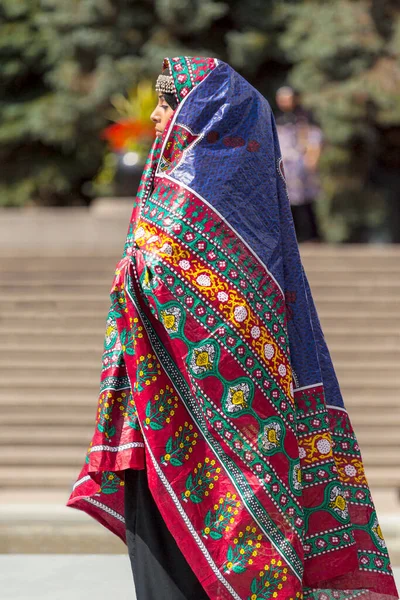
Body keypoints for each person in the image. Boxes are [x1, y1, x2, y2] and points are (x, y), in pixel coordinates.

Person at [68, 57, 398, 600]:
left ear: (203, 115)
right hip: (162, 422)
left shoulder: (201, 210)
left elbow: (166, 286)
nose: (156, 119)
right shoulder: (186, 200)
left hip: (209, 436)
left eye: (169, 103)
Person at [276, 86, 322, 243]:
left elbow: (314, 138)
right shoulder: (277, 118)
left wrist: (312, 157)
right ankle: (291, 237)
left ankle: (311, 235)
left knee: (305, 200)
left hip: (301, 163)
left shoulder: (304, 118)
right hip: (284, 165)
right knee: (287, 201)